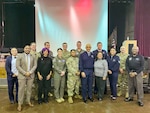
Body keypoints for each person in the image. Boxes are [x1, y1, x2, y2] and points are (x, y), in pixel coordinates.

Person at [16, 45, 37, 111]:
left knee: (29, 89)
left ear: (30, 49)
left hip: (30, 76)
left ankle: (28, 101)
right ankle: (20, 104)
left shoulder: (33, 56)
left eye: (28, 48)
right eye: (26, 48)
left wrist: (30, 72)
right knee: (21, 90)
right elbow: (18, 66)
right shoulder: (20, 56)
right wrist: (25, 73)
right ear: (24, 49)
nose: (27, 49)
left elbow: (35, 65)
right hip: (22, 76)